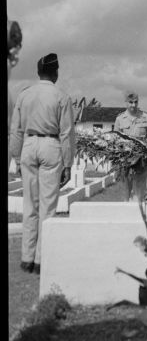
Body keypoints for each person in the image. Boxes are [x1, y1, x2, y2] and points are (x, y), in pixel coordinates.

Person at [9, 53, 75, 275]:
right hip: (50, 145)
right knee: (47, 207)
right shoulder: (61, 96)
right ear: (55, 73)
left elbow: (15, 129)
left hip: (29, 144)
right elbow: (66, 132)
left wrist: (16, 157)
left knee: (30, 206)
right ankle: (40, 259)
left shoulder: (24, 95)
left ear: (39, 72)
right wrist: (68, 163)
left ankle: (26, 258)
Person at [114, 91, 147, 202]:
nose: (133, 105)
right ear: (126, 103)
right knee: (125, 191)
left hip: (141, 160)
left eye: (135, 102)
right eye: (130, 102)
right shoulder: (120, 119)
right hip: (125, 160)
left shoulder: (145, 117)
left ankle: (138, 214)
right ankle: (125, 215)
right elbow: (114, 140)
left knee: (140, 190)